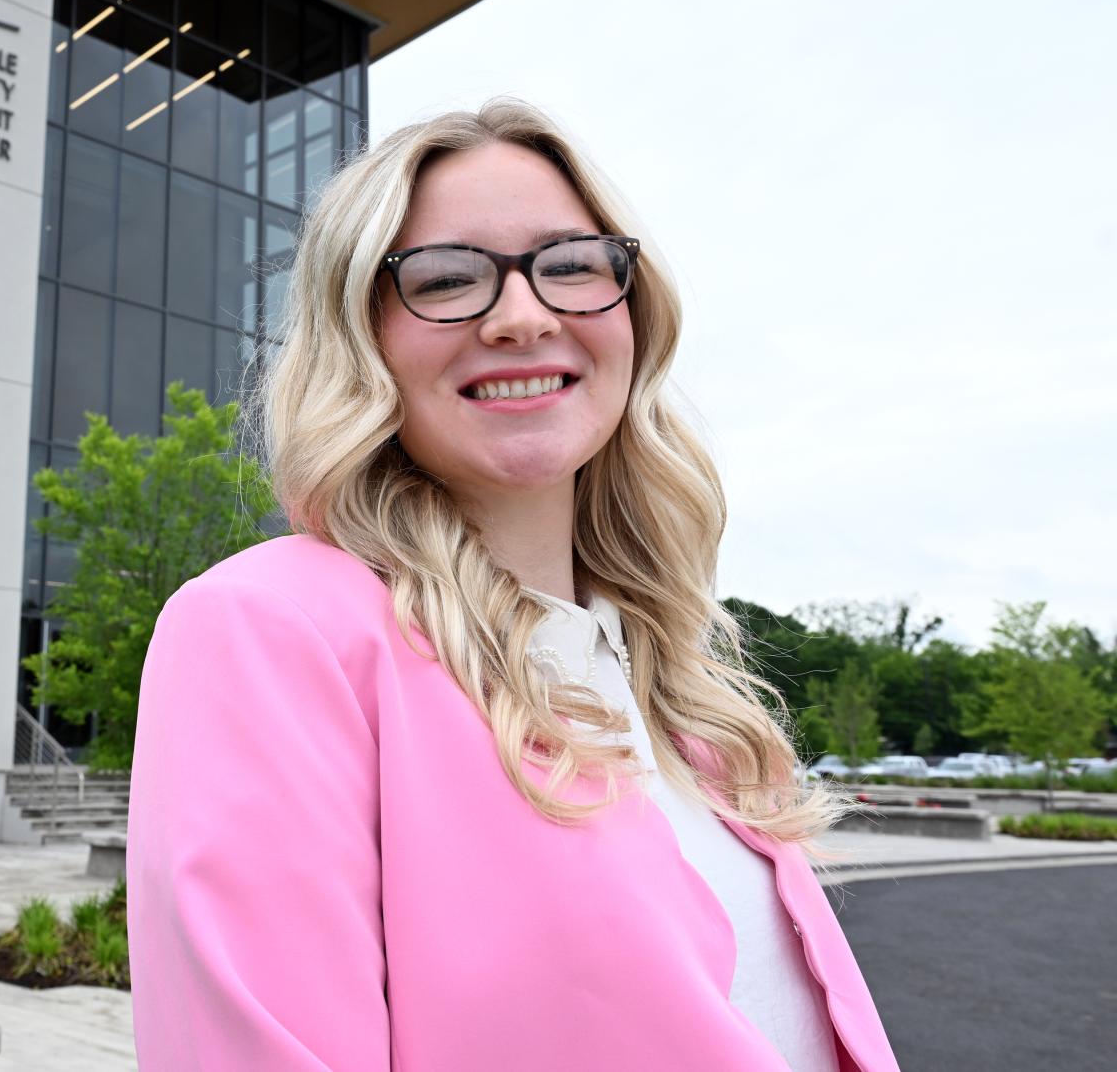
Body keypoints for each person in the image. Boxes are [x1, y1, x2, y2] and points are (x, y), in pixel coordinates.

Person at [127, 99, 899, 1071]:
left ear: (631, 308)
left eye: (570, 265)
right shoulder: (272, 629)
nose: (523, 315)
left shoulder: (676, 688)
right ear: (360, 337)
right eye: (446, 280)